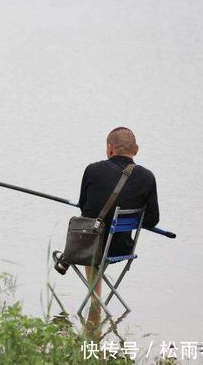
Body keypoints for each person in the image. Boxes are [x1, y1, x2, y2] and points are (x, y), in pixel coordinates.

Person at [54, 127, 160, 301]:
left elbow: (84, 208)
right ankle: (95, 315)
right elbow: (151, 221)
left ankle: (95, 301)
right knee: (96, 237)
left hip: (91, 248)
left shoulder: (92, 170)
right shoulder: (148, 177)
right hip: (123, 248)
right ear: (136, 149)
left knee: (91, 233)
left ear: (110, 148)